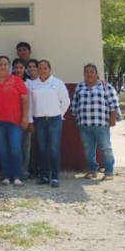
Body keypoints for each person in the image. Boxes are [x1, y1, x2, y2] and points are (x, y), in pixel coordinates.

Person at [0, 56, 30, 186]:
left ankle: (17, 175)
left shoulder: (16, 80)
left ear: (9, 66)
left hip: (15, 121)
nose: (2, 66)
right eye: (0, 64)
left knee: (15, 148)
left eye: (5, 64)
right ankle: (6, 175)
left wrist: (25, 117)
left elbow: (25, 99)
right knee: (3, 149)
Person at [72, 63, 118, 181]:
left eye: (92, 71)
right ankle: (92, 170)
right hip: (84, 124)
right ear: (83, 74)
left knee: (105, 148)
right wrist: (75, 118)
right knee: (88, 149)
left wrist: (112, 119)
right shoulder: (80, 87)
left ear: (97, 74)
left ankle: (109, 171)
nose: (89, 74)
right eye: (86, 72)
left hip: (101, 124)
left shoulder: (105, 86)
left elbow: (114, 104)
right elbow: (75, 104)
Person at [29, 60, 70, 188]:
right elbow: (30, 104)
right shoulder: (33, 84)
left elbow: (66, 101)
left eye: (45, 68)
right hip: (39, 120)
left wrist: (59, 114)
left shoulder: (57, 83)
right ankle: (45, 175)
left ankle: (55, 177)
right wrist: (31, 120)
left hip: (54, 120)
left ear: (49, 69)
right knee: (42, 149)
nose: (42, 70)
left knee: (54, 149)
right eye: (40, 68)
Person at [12, 58, 32, 178]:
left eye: (21, 68)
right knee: (13, 146)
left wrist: (29, 120)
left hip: (25, 119)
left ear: (25, 69)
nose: (19, 70)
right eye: (16, 68)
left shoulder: (29, 83)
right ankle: (13, 170)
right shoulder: (10, 82)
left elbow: (30, 103)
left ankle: (24, 170)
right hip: (12, 119)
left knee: (25, 146)